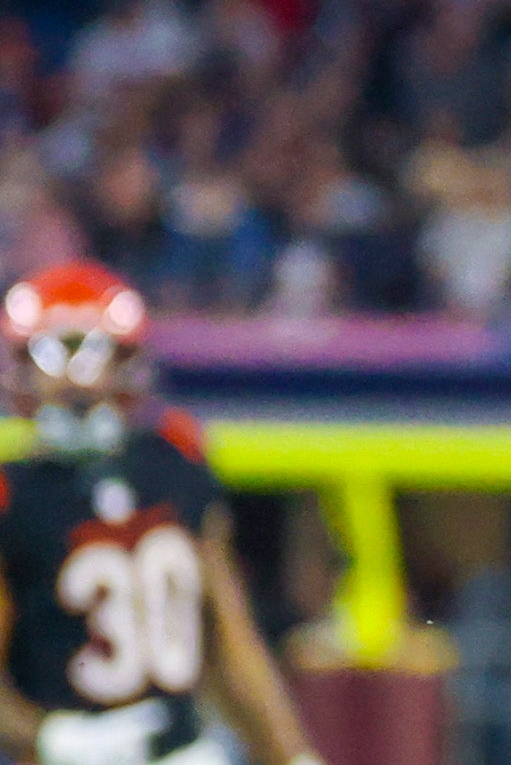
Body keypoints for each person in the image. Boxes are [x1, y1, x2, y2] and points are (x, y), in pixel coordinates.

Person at [0, 264, 319, 765]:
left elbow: (231, 641)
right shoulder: (12, 494)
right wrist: (48, 738)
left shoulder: (175, 463)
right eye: (56, 353)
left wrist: (292, 753)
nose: (77, 383)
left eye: (93, 352)